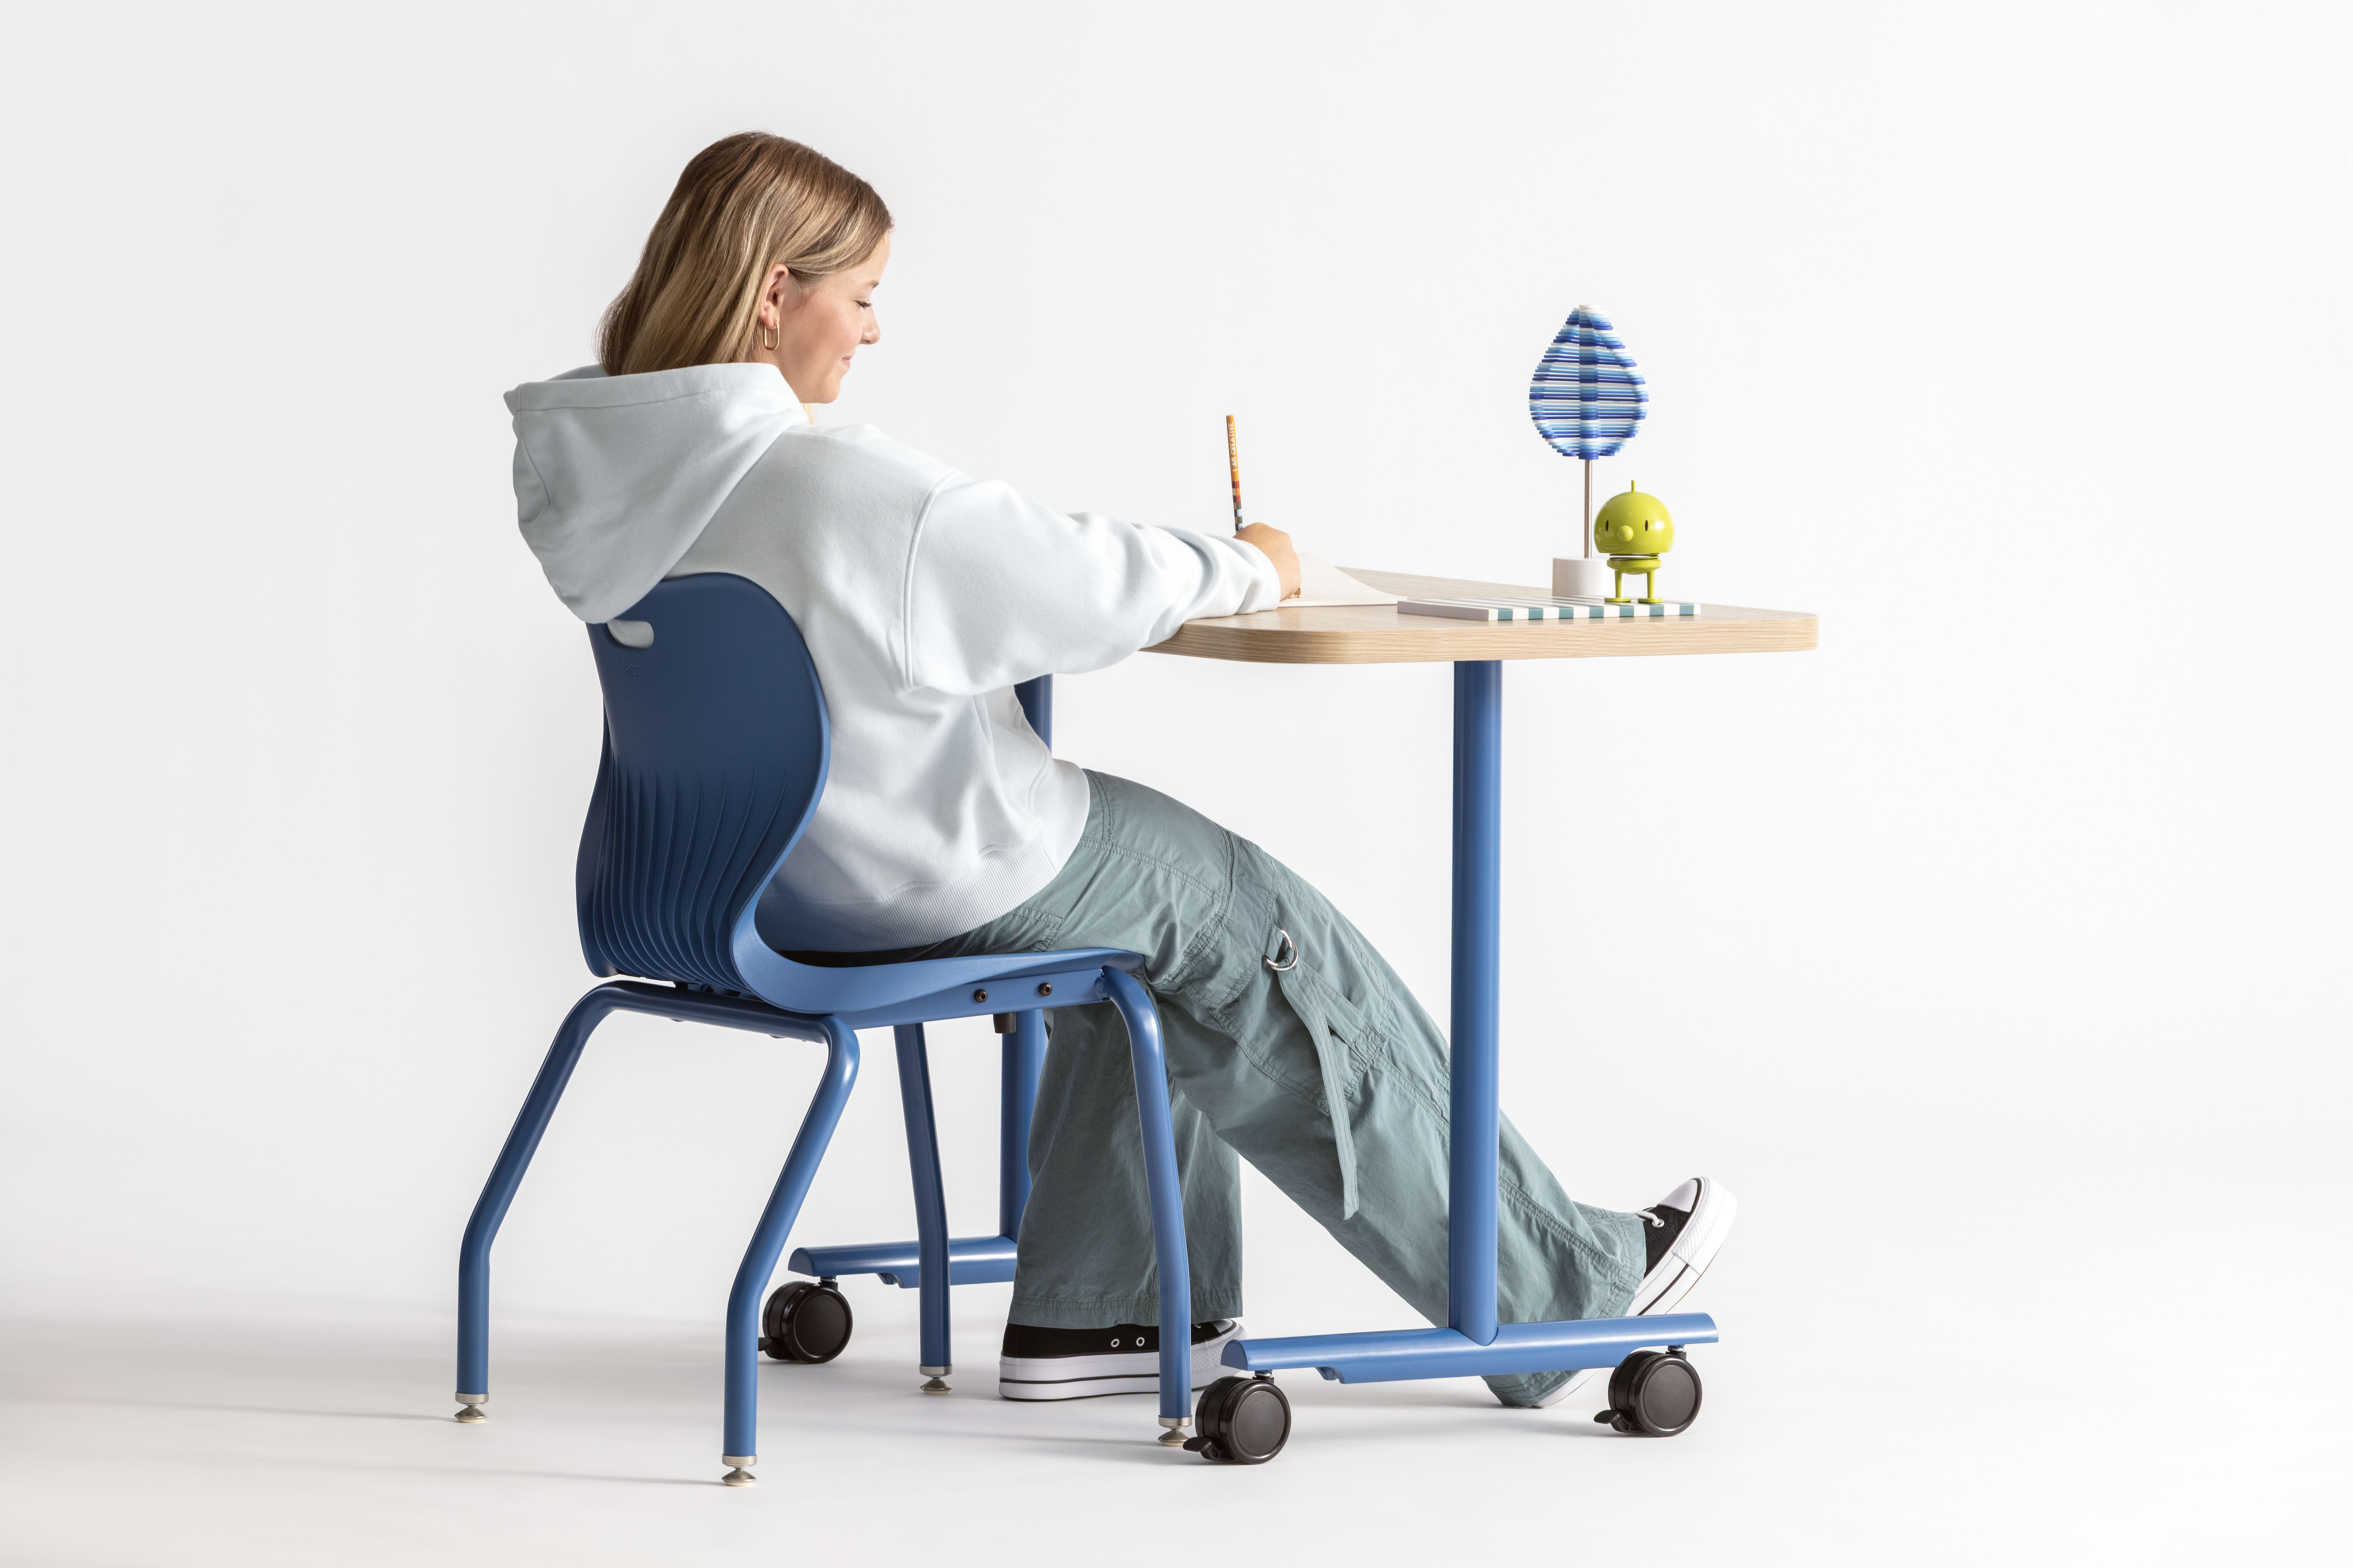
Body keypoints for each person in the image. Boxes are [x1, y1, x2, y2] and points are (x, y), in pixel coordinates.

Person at [505, 131, 1734, 1411]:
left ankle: (1106, 1313)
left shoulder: (616, 487)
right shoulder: (834, 487)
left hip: (749, 894)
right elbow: (1090, 581)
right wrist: (1260, 559)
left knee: (1144, 939)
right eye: (861, 295)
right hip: (928, 876)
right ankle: (1558, 1290)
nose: (872, 332)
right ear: (775, 291)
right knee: (1246, 918)